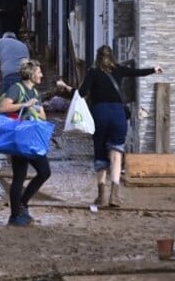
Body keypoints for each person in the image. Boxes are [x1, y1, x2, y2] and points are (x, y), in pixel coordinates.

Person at [57, 46, 163, 208]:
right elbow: (136, 72)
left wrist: (65, 87)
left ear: (97, 57)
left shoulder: (92, 72)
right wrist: (154, 69)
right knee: (116, 154)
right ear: (112, 56)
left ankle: (101, 196)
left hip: (99, 114)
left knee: (100, 154)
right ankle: (115, 196)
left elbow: (80, 93)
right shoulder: (119, 69)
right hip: (117, 114)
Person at [0, 59, 51, 226]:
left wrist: (36, 111)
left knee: (44, 172)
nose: (41, 75)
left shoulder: (35, 93)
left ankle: (23, 203)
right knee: (19, 176)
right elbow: (3, 108)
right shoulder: (17, 89)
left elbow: (42, 116)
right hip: (19, 138)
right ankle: (15, 215)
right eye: (39, 72)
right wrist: (25, 105)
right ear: (31, 74)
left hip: (32, 138)